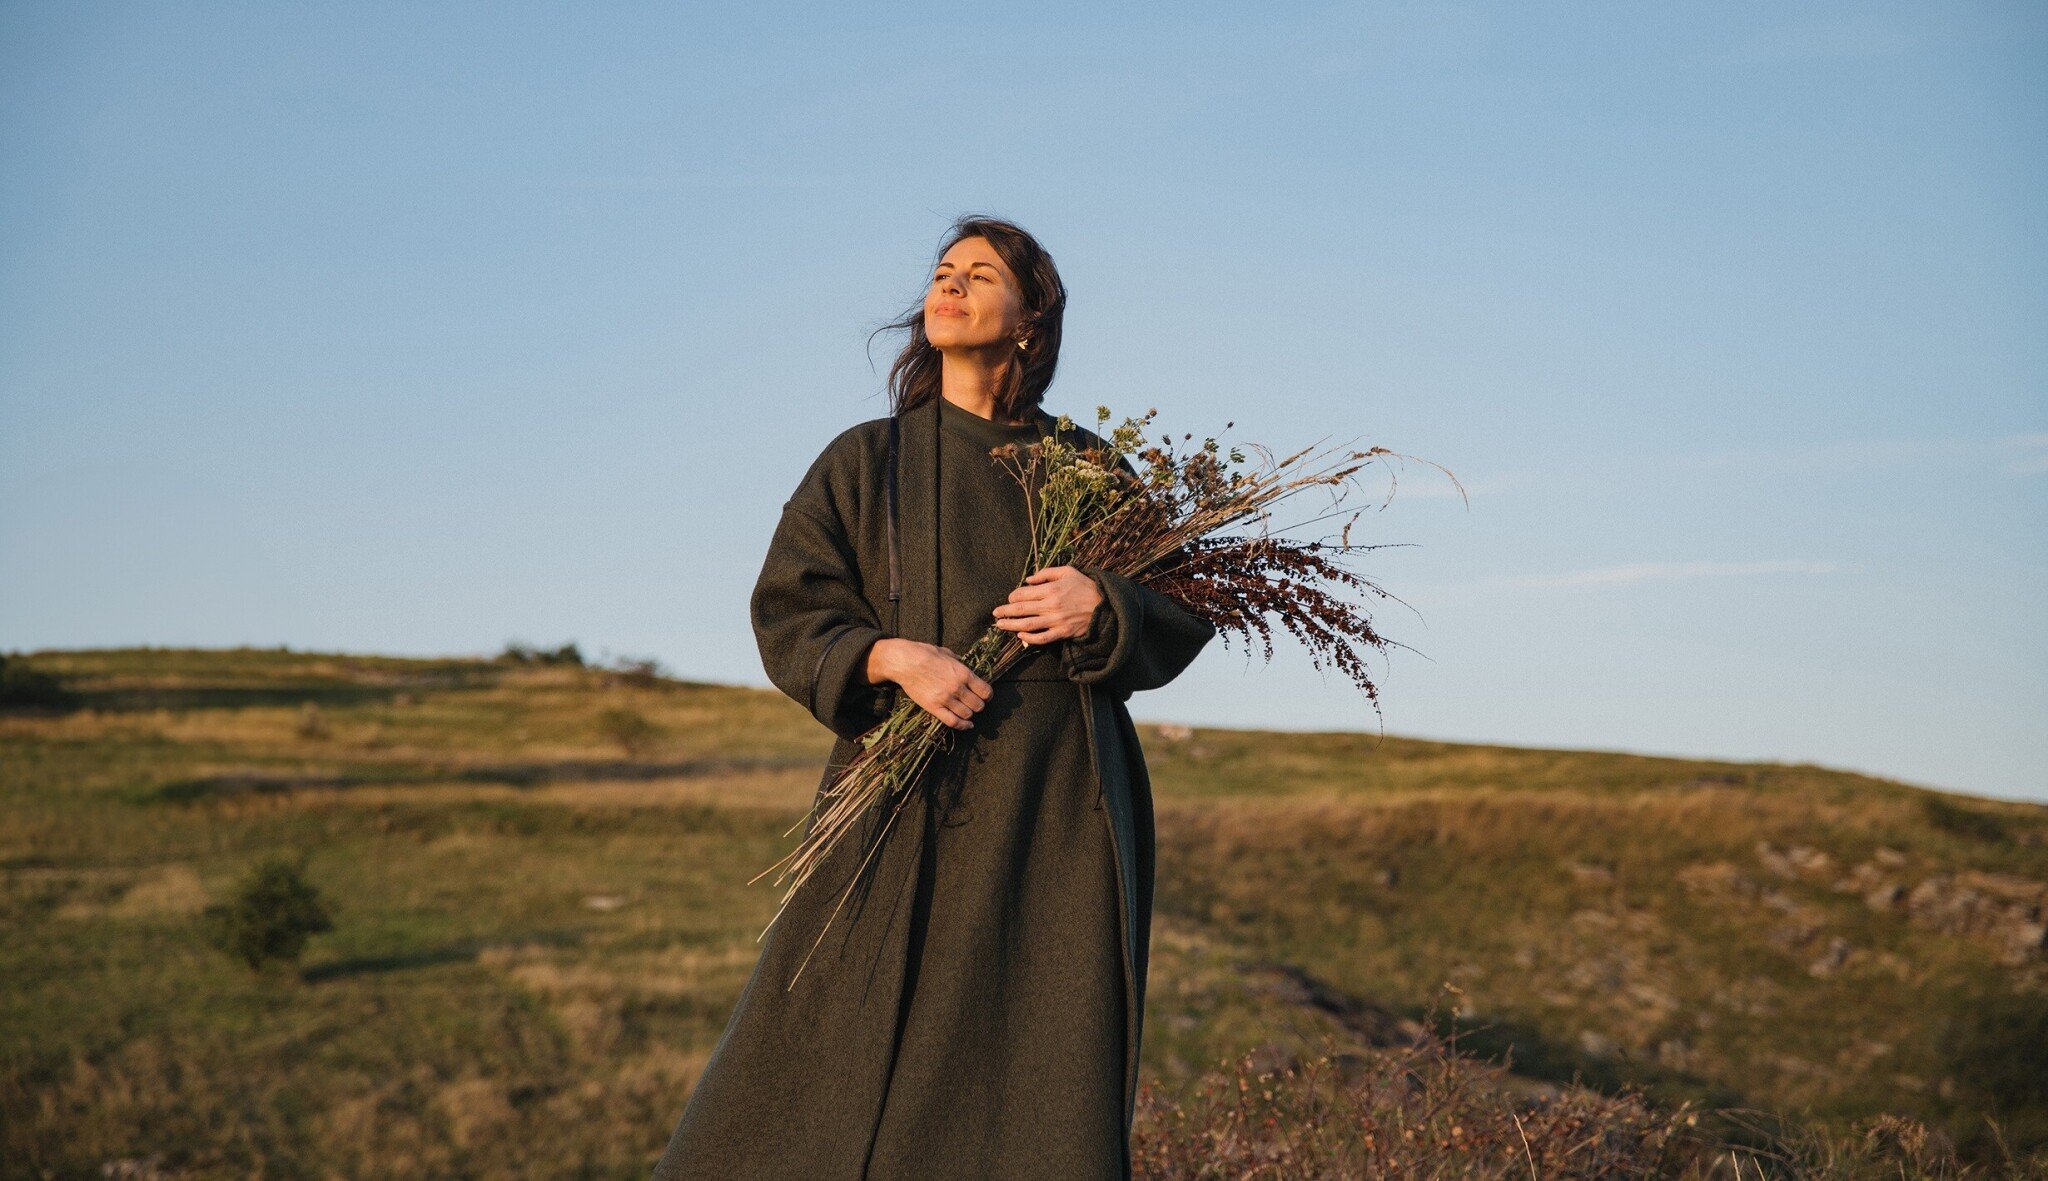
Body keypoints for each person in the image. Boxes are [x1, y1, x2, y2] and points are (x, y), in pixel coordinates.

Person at [649, 215, 1215, 1180]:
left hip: (1058, 805)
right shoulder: (867, 461)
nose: (947, 288)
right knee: (828, 1031)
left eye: (978, 275)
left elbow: (1183, 610)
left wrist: (1103, 602)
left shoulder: (1090, 468)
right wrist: (888, 659)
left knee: (1037, 1053)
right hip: (901, 791)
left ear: (1030, 318)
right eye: (942, 274)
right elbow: (791, 608)